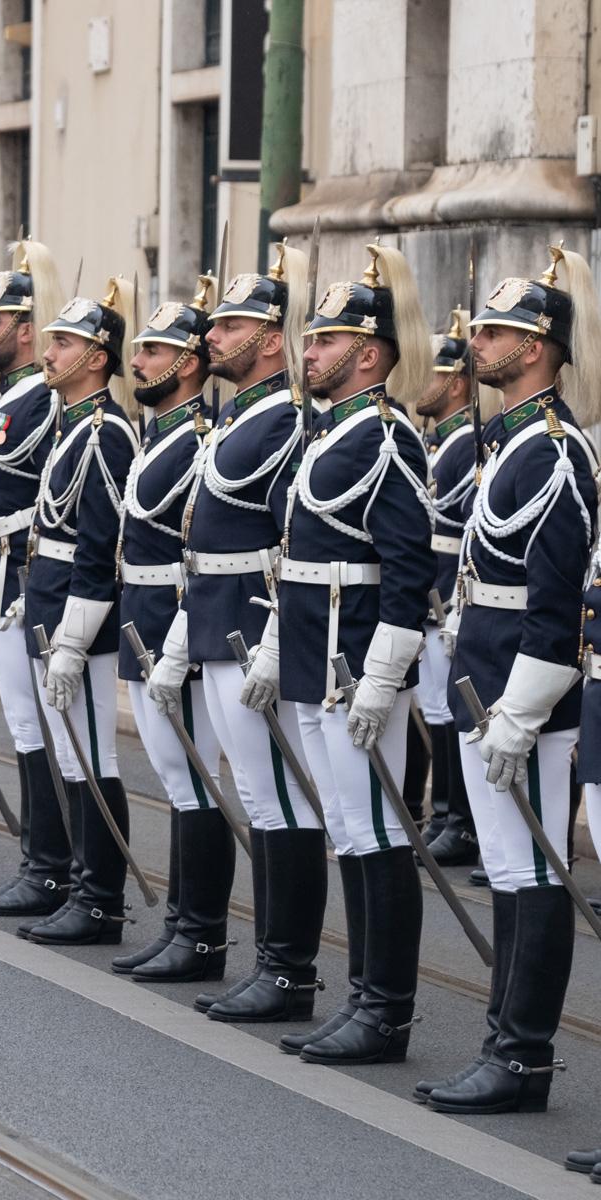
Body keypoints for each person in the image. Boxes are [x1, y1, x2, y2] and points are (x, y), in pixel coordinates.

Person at [417, 249, 600, 1113]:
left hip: (524, 694)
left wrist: (520, 714)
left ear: (537, 348)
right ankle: (502, 1038)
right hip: (483, 676)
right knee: (506, 868)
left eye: (491, 332)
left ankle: (522, 1057)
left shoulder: (555, 453)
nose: (475, 344)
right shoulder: (509, 441)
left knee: (533, 870)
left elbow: (556, 603)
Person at [151, 244, 327, 1027]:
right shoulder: (234, 417)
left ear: (268, 337)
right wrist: (185, 639)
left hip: (256, 624)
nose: (211, 337)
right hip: (218, 616)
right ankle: (260, 961)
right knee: (257, 798)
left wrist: (279, 636)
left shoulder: (287, 419)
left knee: (280, 802)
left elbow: (297, 538)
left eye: (229, 326)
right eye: (215, 324)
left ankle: (288, 973)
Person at [273, 245, 434, 1066]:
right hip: (311, 650)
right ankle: (362, 994)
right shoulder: (330, 431)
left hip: (353, 661)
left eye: (326, 342)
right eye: (310, 341)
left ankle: (387, 1009)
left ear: (368, 354)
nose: (309, 354)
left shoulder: (387, 436)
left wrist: (383, 676)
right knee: (346, 828)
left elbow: (410, 568)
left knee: (377, 833)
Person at [116, 280, 234, 983]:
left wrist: (182, 638)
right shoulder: (158, 435)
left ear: (189, 362)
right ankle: (181, 923)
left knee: (197, 781)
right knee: (173, 779)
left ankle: (204, 934)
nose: (141, 361)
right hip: (144, 610)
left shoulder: (198, 438)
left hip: (177, 616)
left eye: (155, 350)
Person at [18, 279, 140, 945]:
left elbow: (99, 544)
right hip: (50, 605)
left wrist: (73, 639)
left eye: (62, 342)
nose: (48, 353)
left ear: (97, 356)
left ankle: (100, 900)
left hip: (77, 618)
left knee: (92, 757)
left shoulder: (104, 431)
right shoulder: (70, 425)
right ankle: (78, 884)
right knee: (71, 755)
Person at [0, 244, 73, 918]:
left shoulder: (45, 402)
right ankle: (41, 860)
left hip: (21, 576)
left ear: (27, 329)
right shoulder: (17, 398)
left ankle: (51, 868)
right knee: (26, 731)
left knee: (37, 727)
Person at [416, 311, 481, 867]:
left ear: (456, 382)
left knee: (450, 710)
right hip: (434, 596)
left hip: (449, 597)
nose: (420, 386)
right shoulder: (442, 442)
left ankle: (458, 822)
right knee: (435, 709)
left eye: (431, 376)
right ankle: (444, 815)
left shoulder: (464, 443)